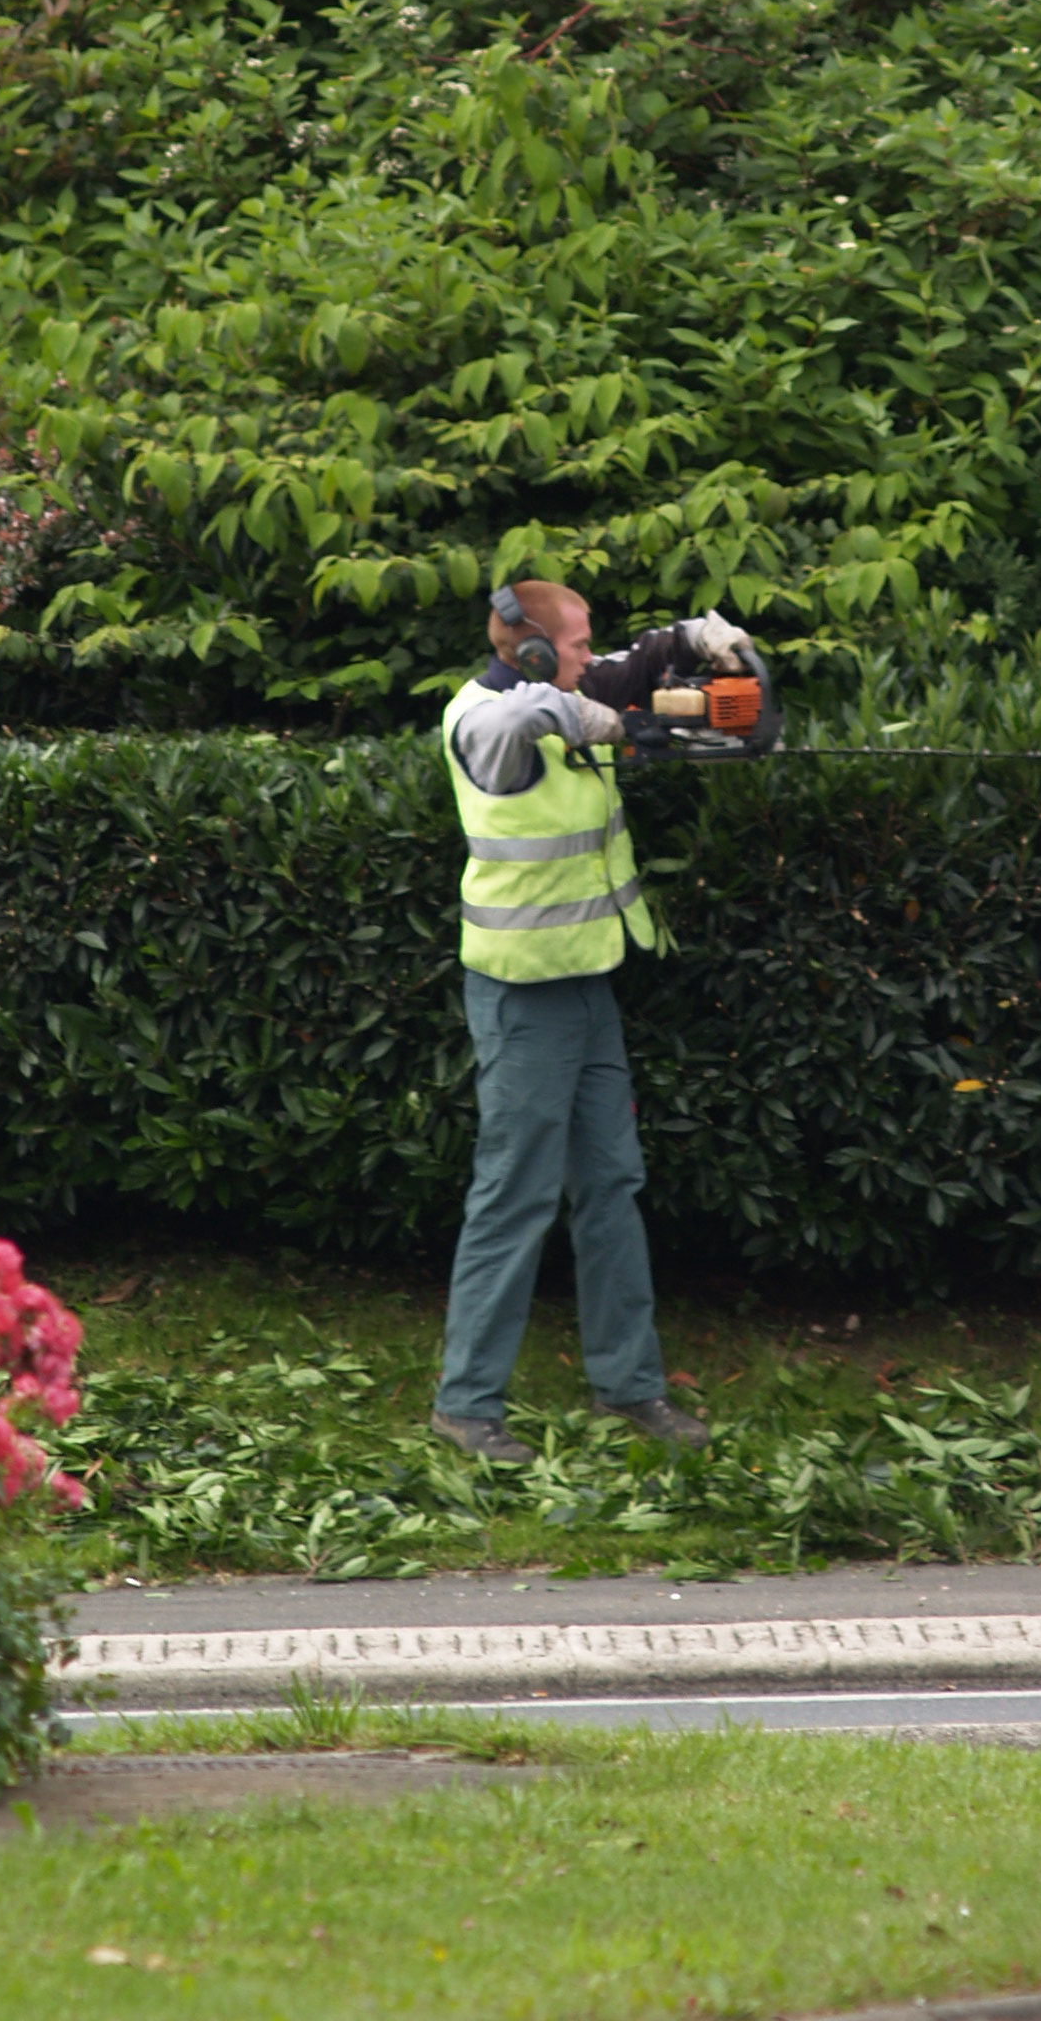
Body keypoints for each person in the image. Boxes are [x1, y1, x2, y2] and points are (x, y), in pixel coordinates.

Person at [430, 577, 758, 1462]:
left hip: (589, 983)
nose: (590, 658)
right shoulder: (481, 718)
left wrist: (699, 637)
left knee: (611, 1185)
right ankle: (466, 1404)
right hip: (523, 992)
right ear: (530, 651)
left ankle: (631, 1386)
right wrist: (606, 723)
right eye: (573, 647)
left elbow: (630, 664)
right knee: (516, 1194)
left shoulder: (569, 683)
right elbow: (518, 726)